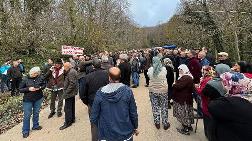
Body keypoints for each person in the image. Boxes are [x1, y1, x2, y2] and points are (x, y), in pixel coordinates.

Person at [90, 67, 139, 141]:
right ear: (120, 76)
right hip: (125, 132)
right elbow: (133, 112)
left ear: (109, 77)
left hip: (106, 134)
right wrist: (135, 126)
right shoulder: (127, 91)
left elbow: (94, 117)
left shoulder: (100, 93)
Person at [79, 58, 109, 141]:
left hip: (93, 103)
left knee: (94, 124)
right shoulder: (107, 74)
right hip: (105, 102)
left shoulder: (87, 77)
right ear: (101, 65)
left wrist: (88, 103)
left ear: (93, 66)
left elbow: (82, 94)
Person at [202, 64, 231, 140]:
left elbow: (204, 93)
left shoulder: (212, 83)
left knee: (210, 126)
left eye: (216, 70)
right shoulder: (233, 82)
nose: (214, 71)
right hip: (226, 110)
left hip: (212, 108)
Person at [19, 67, 46, 138]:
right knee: (27, 115)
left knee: (36, 112)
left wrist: (40, 88)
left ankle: (35, 125)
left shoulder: (40, 77)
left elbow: (44, 85)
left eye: (37, 73)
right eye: (35, 73)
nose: (36, 74)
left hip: (38, 98)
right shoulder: (25, 79)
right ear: (31, 73)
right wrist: (28, 89)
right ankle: (25, 130)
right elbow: (20, 89)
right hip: (28, 100)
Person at [147, 57, 170, 130]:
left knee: (155, 107)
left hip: (153, 90)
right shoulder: (164, 69)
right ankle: (165, 123)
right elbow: (165, 75)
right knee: (164, 107)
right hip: (163, 90)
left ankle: (157, 122)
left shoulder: (150, 69)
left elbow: (148, 76)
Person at [173, 64, 194, 135]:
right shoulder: (187, 76)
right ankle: (188, 125)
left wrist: (174, 84)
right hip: (186, 98)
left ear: (185, 69)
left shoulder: (186, 77)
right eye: (179, 70)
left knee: (183, 113)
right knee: (187, 112)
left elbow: (179, 86)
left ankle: (186, 128)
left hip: (183, 98)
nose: (179, 71)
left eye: (181, 70)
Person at [195, 66, 214, 138]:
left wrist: (196, 87)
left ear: (207, 71)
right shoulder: (211, 78)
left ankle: (208, 134)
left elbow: (201, 91)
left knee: (207, 118)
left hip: (206, 101)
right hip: (209, 100)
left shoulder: (206, 80)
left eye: (203, 70)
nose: (202, 71)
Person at [59, 62, 78, 130]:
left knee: (67, 108)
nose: (63, 68)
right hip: (71, 92)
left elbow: (72, 84)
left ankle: (68, 122)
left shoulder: (71, 72)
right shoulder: (71, 70)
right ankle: (72, 119)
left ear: (67, 67)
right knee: (71, 106)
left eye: (64, 67)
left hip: (70, 93)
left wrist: (66, 92)